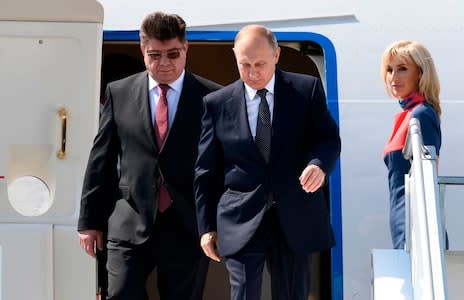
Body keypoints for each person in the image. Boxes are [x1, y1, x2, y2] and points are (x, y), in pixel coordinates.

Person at [77, 12, 221, 300]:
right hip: (129, 219)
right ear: (143, 50)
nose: (164, 63)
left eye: (173, 54)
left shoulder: (212, 97)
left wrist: (216, 224)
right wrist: (89, 221)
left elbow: (221, 165)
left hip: (188, 224)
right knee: (120, 295)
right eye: (155, 54)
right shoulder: (119, 93)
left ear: (186, 49)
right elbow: (101, 161)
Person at [194, 24, 341, 300]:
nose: (253, 72)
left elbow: (329, 139)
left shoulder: (305, 90)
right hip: (241, 216)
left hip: (295, 214)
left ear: (276, 55)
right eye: (244, 64)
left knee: (293, 294)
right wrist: (206, 228)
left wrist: (319, 165)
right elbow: (206, 170)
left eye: (260, 63)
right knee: (244, 294)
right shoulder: (216, 103)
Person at [381, 40, 442, 249]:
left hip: (417, 226)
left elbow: (427, 178)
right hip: (404, 220)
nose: (393, 78)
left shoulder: (421, 114)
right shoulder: (408, 115)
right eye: (390, 70)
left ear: (420, 73)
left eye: (402, 69)